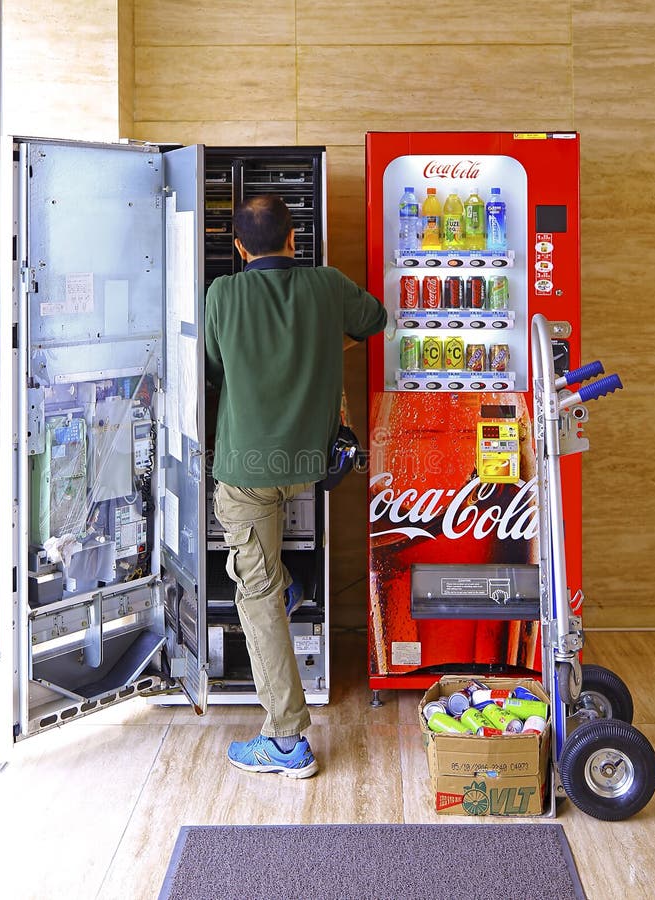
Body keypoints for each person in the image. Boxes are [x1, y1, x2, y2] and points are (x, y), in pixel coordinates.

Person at [205, 194, 386, 778]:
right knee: (270, 568)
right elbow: (376, 320)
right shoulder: (327, 286)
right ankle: (289, 587)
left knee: (252, 589)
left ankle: (286, 740)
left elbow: (212, 367)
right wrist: (324, 344)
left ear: (238, 248)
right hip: (313, 465)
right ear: (294, 239)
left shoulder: (223, 296)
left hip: (248, 473)